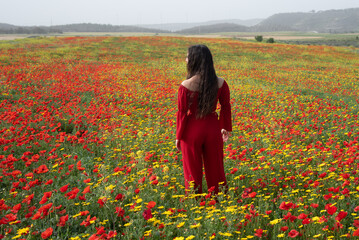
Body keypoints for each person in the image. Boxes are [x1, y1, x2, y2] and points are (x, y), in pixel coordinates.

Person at [176, 44, 232, 194]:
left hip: (191, 129)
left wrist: (178, 136)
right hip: (212, 128)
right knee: (216, 167)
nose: (186, 59)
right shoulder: (221, 82)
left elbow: (182, 112)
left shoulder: (185, 85)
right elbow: (225, 106)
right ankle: (219, 196)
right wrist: (224, 127)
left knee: (192, 170)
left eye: (187, 56)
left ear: (194, 60)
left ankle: (195, 200)